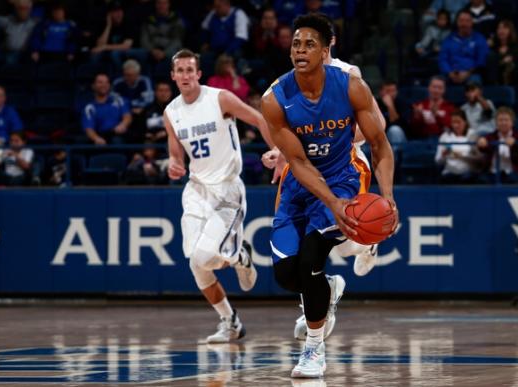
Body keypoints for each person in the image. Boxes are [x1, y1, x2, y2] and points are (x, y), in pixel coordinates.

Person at [260, 14, 397, 378]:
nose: (300, 50)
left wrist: (387, 197)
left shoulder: (351, 86)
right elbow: (299, 162)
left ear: (325, 51)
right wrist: (330, 203)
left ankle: (314, 350)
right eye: (295, 44)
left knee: (311, 257)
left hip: (343, 177)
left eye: (308, 45)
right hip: (300, 183)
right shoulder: (275, 99)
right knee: (288, 275)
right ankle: (329, 287)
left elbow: (381, 144)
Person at [163, 49, 275, 344]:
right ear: (173, 76)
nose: (185, 75)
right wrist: (173, 164)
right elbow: (175, 151)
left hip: (227, 188)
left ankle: (239, 255)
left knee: (204, 256)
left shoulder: (220, 98)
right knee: (196, 265)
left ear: (199, 74)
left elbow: (260, 120)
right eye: (180, 70)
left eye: (190, 70)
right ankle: (230, 321)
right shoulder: (171, 112)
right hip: (197, 190)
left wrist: (277, 151)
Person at [476, 107, 518, 184]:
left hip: (512, 172)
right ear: (496, 123)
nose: (503, 123)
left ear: (512, 122)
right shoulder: (490, 136)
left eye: (506, 120)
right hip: (492, 172)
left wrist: (515, 144)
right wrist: (481, 143)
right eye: (500, 120)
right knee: (481, 180)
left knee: (514, 180)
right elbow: (483, 149)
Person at [438, 10, 488, 85]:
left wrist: (467, 73)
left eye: (467, 21)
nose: (464, 24)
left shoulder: (479, 39)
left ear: (472, 22)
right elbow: (443, 59)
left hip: (471, 74)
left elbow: (481, 61)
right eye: (461, 21)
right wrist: (449, 73)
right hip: (451, 74)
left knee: (474, 82)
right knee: (436, 82)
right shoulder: (449, 39)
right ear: (457, 22)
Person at [82, 73, 132, 145]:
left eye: (106, 82)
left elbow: (127, 116)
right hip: (100, 137)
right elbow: (89, 129)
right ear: (93, 86)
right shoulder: (89, 108)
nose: (104, 85)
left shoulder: (119, 100)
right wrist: (96, 138)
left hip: (118, 135)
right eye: (100, 82)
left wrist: (123, 125)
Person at [435, 109, 481, 183]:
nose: (456, 125)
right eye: (453, 122)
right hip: (449, 174)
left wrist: (461, 156)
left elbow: (478, 160)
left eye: (459, 122)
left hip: (468, 174)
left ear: (465, 122)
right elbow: (438, 161)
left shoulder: (472, 135)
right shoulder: (445, 136)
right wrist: (444, 155)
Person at [0, 0, 38, 65]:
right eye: (21, 8)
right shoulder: (8, 20)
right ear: (16, 9)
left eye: (26, 9)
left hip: (25, 54)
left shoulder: (34, 22)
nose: (23, 11)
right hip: (7, 52)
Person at [141, 0, 185, 65]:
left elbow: (177, 40)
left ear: (168, 5)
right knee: (139, 53)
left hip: (170, 50)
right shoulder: (148, 20)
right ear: (155, 5)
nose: (161, 6)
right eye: (159, 3)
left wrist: (165, 53)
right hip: (151, 50)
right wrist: (152, 51)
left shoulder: (176, 20)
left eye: (164, 3)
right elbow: (144, 39)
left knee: (180, 55)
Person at [487, 20, 518, 86]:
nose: (501, 31)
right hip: (499, 74)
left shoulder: (517, 44)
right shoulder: (494, 46)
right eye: (499, 28)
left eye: (504, 28)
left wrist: (512, 58)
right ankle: (493, 86)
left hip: (515, 75)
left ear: (510, 30)